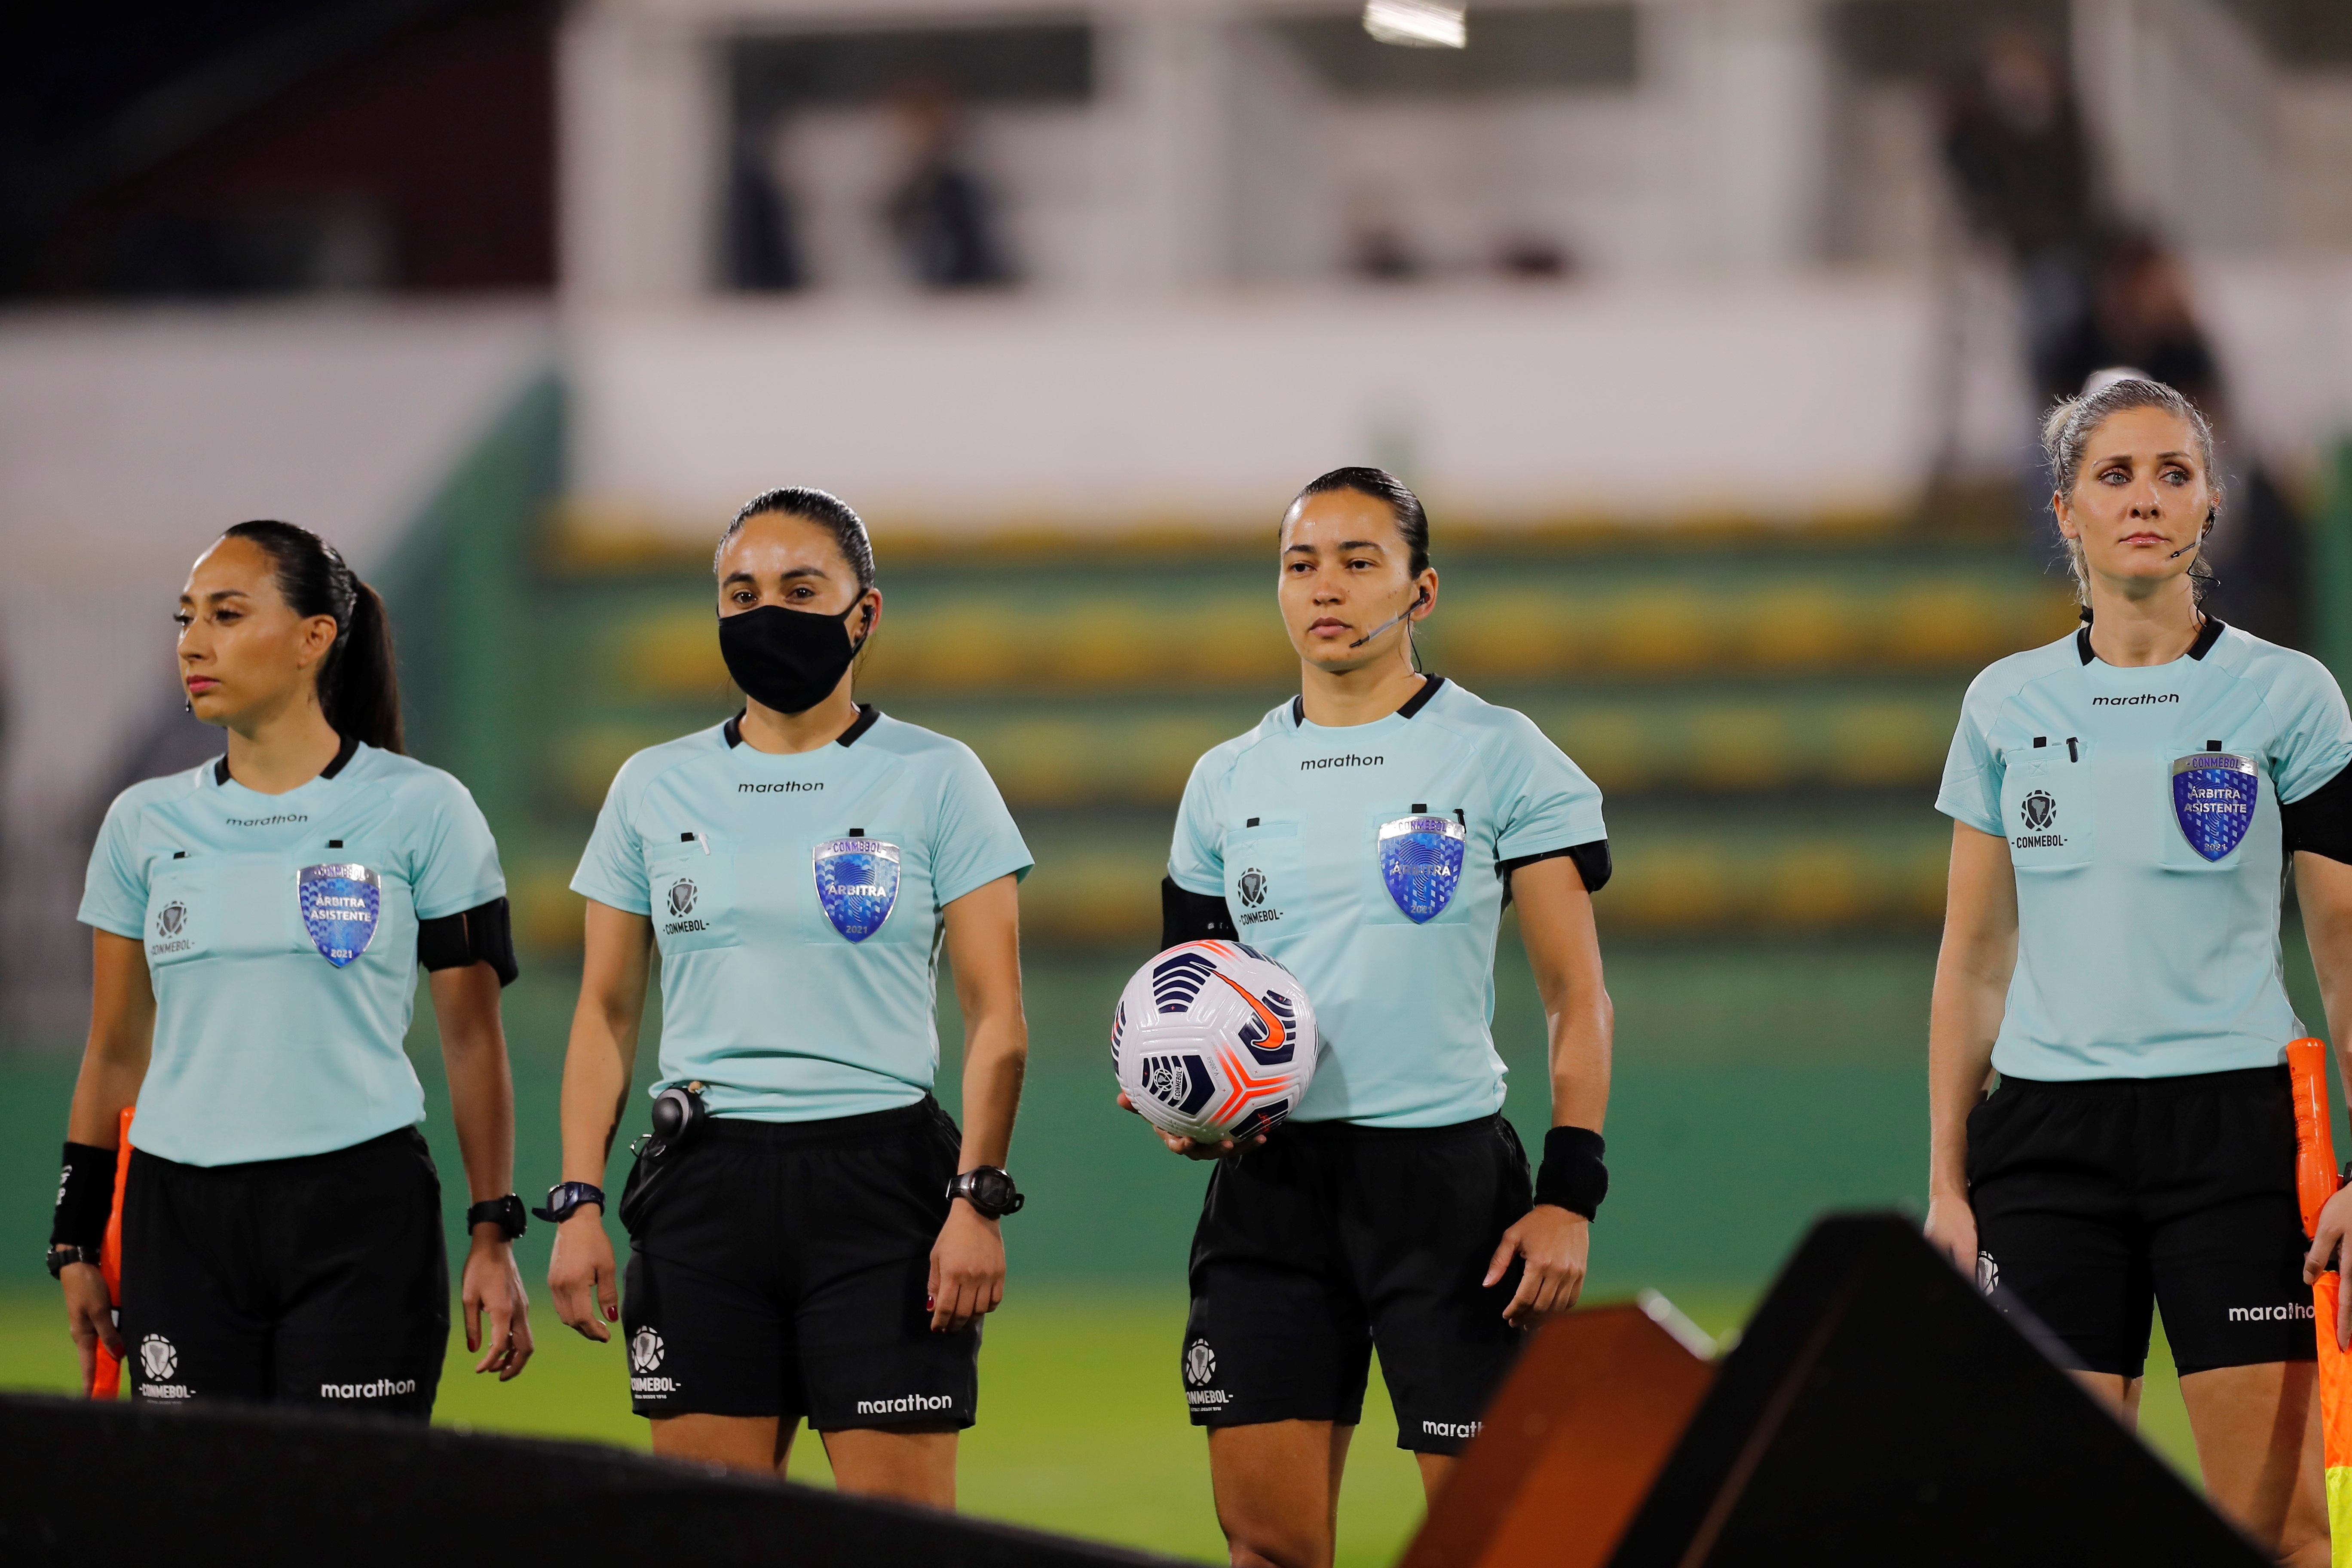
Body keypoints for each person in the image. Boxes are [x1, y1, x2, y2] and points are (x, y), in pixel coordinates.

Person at [1136, 467, 1614, 1568]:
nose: (1326, 587)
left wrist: (1569, 1194)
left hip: (1446, 1191)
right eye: (1302, 564)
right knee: (1268, 1547)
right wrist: (1177, 1100)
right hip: (1270, 1190)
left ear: (1422, 590)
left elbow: (1574, 995)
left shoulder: (1501, 755)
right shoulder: (1224, 781)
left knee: (1502, 1543)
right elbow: (1186, 990)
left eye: (1360, 562)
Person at [1925, 377, 2352, 1567]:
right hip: (2049, 1146)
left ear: (2211, 504)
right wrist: (1949, 1187)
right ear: (2064, 511)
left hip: (2239, 1137)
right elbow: (1974, 958)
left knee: (2283, 1529)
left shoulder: (2290, 695)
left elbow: (2344, 945)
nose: (2146, 499)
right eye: (2114, 475)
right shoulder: (2005, 704)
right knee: (2055, 1518)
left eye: (2175, 473)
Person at [543, 487, 1032, 1509]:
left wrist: (977, 1197)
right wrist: (579, 1197)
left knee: (899, 1542)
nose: (767, 612)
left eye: (801, 589)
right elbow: (606, 1013)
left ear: (866, 613)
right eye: (741, 591)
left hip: (884, 1189)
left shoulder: (939, 777)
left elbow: (999, 1020)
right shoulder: (651, 785)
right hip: (702, 1190)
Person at [52, 520, 530, 1416]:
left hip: (359, 1213)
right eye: (186, 617)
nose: (193, 642)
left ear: (316, 638)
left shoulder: (427, 810)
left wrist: (493, 1232)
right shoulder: (140, 823)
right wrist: (75, 1241)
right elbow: (114, 1051)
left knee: (347, 1521)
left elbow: (472, 1042)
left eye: (227, 615)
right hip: (177, 1220)